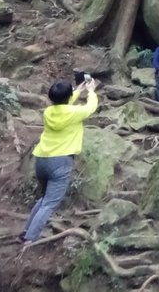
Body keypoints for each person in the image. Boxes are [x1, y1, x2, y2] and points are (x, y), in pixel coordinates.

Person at [20, 76, 98, 243]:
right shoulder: (75, 113)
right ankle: (30, 239)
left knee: (44, 200)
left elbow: (64, 105)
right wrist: (91, 91)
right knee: (49, 204)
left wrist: (78, 90)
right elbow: (91, 107)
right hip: (60, 161)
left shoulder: (48, 112)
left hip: (41, 159)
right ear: (68, 98)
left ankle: (26, 232)